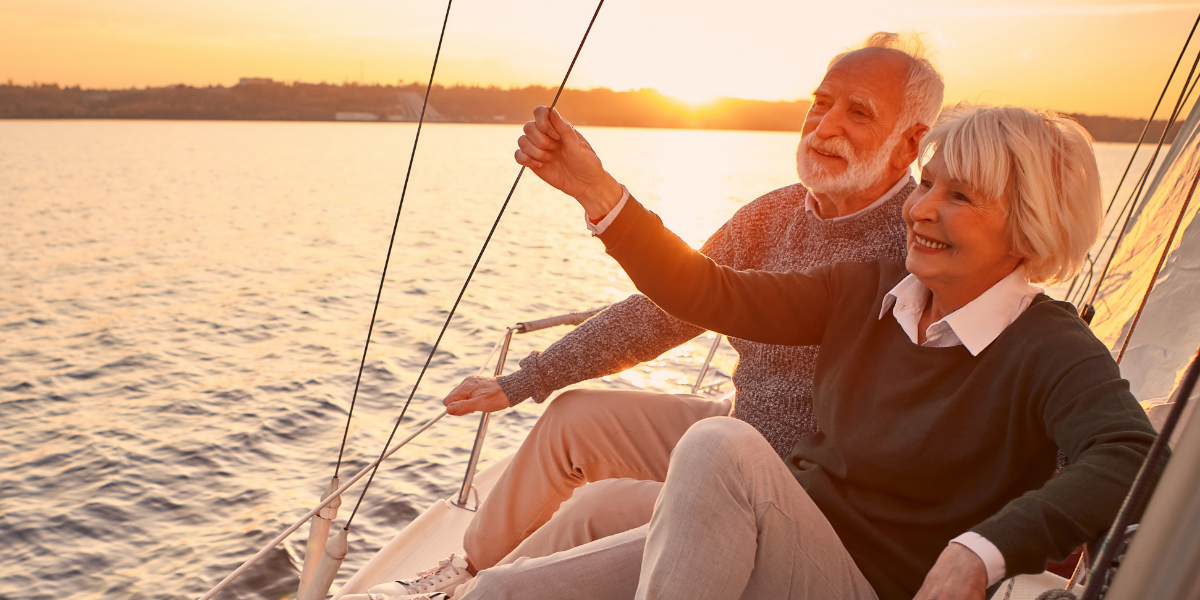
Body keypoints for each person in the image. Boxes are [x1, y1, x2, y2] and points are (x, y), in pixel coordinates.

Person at [469, 102, 1157, 600]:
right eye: (926, 183)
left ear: (1030, 226)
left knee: (720, 447)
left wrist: (982, 552)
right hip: (788, 543)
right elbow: (710, 293)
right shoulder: (867, 290)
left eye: (960, 196)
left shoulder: (1050, 345)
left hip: (878, 587)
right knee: (498, 592)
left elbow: (1130, 457)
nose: (920, 209)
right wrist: (599, 193)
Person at [355, 32, 946, 600]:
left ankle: (502, 589)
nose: (826, 125)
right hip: (738, 421)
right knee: (573, 417)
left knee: (595, 510)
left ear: (909, 143)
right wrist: (523, 380)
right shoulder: (773, 214)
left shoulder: (919, 246)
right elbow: (664, 312)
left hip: (796, 486)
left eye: (860, 113)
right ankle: (468, 568)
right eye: (820, 102)